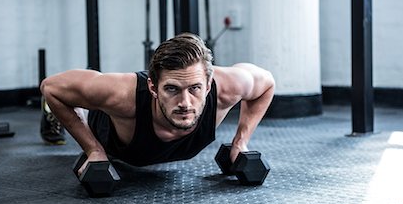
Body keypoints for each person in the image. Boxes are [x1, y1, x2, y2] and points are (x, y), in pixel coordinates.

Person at [40, 33, 275, 175]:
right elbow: (51, 87)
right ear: (153, 87)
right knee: (83, 98)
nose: (185, 103)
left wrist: (241, 142)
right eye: (172, 89)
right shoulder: (123, 95)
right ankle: (56, 110)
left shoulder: (227, 87)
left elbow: (266, 84)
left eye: (195, 88)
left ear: (209, 84)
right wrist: (93, 149)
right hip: (104, 122)